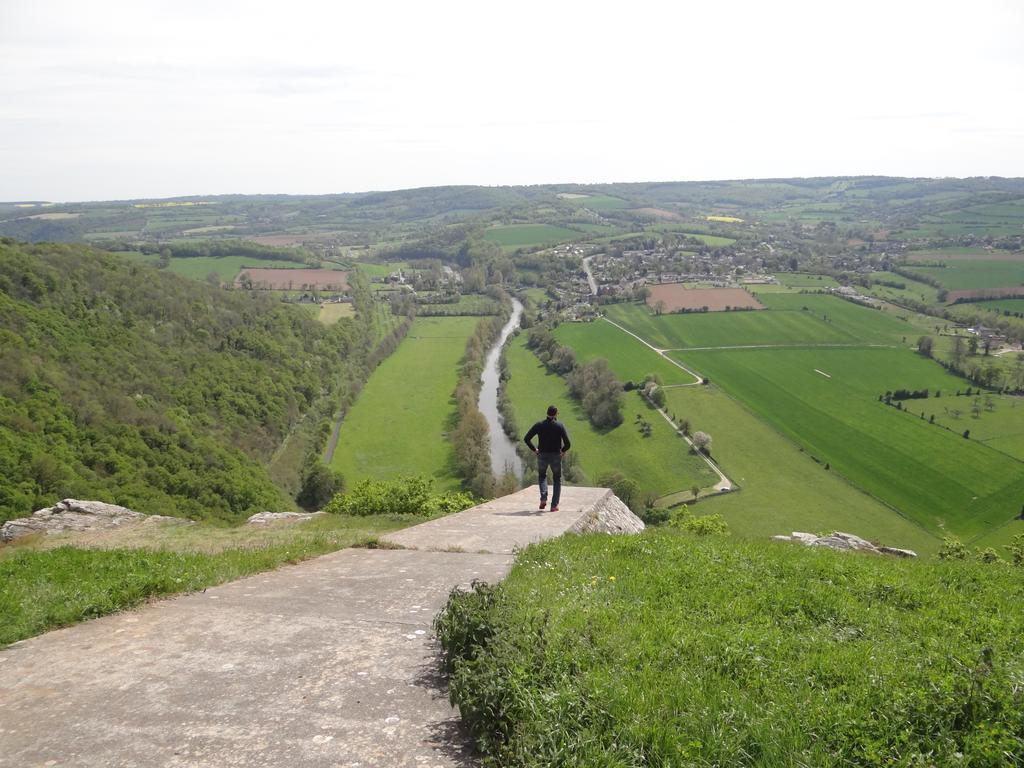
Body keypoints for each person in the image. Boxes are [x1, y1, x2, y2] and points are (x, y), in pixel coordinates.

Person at [523, 405, 571, 511]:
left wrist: (534, 449)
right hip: (555, 456)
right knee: (557, 479)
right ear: (555, 414)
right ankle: (554, 506)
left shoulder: (539, 425)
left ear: (547, 413)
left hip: (542, 455)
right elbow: (568, 444)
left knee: (542, 476)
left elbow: (526, 439)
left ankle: (543, 498)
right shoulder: (560, 426)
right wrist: (562, 451)